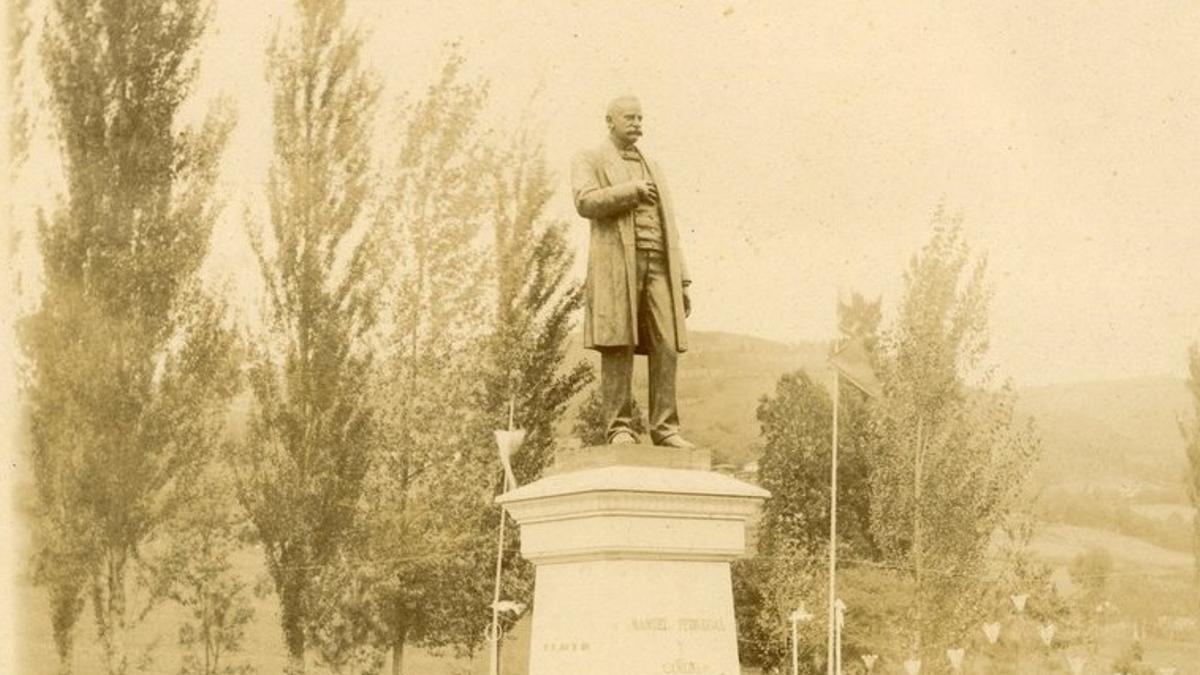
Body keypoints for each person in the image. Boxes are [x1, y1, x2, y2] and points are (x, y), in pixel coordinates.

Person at [571, 95, 694, 448]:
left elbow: (669, 223)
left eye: (641, 117)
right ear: (609, 121)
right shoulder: (590, 158)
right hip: (616, 266)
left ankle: (665, 427)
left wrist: (682, 279)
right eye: (629, 117)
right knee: (618, 344)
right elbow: (584, 201)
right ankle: (619, 427)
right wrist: (630, 192)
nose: (637, 123)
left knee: (667, 343)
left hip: (659, 265)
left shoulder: (653, 164)